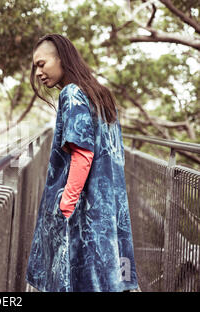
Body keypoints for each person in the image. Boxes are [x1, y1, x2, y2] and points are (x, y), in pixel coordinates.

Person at [26, 34, 139, 292]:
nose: (38, 73)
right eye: (35, 67)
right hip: (107, 209)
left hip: (83, 211)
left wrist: (65, 207)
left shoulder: (72, 93)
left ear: (61, 58)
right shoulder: (101, 95)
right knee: (106, 277)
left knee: (77, 279)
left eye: (42, 64)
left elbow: (82, 154)